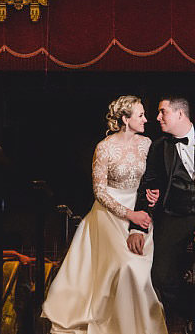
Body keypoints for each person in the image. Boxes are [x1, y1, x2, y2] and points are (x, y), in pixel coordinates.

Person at [42, 96, 168, 334]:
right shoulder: (104, 147)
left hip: (141, 210)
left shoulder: (147, 144)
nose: (146, 119)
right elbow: (99, 191)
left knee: (139, 272)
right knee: (125, 266)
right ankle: (114, 324)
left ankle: (140, 326)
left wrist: (153, 194)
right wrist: (129, 214)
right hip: (110, 212)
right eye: (140, 115)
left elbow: (154, 178)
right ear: (125, 119)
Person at [128, 97, 195, 334]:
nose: (157, 117)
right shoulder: (159, 147)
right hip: (173, 216)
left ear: (180, 114)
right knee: (160, 277)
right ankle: (193, 314)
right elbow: (147, 185)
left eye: (162, 112)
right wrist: (137, 226)